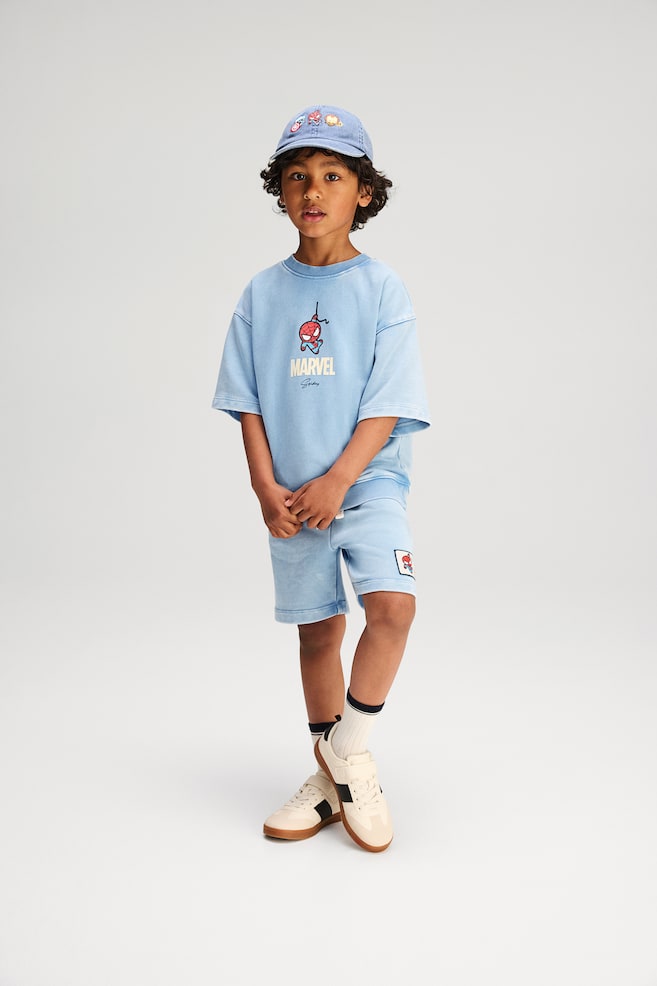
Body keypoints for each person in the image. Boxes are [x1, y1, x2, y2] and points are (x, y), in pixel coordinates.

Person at [212, 104, 430, 852]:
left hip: (366, 483)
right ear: (280, 191)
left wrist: (341, 477)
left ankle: (344, 759)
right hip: (292, 494)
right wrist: (264, 487)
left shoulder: (383, 288)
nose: (313, 190)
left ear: (363, 192)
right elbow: (245, 400)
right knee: (318, 631)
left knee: (392, 607)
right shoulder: (260, 293)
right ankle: (337, 779)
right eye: (298, 177)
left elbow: (388, 400)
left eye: (333, 176)